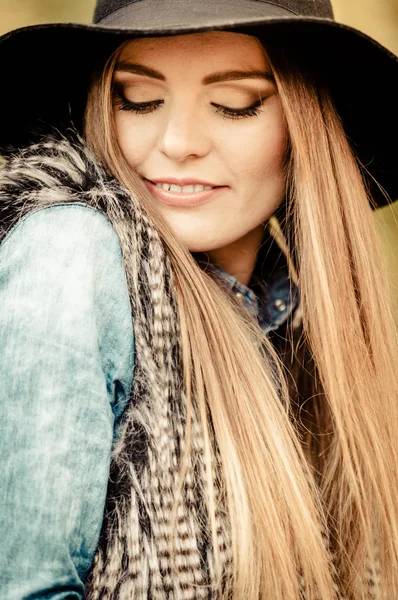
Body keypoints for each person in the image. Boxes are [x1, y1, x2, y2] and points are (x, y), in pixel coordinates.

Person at [0, 0, 397, 598]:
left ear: (304, 126)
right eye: (137, 97)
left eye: (233, 103)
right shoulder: (69, 252)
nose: (178, 141)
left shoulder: (299, 321)